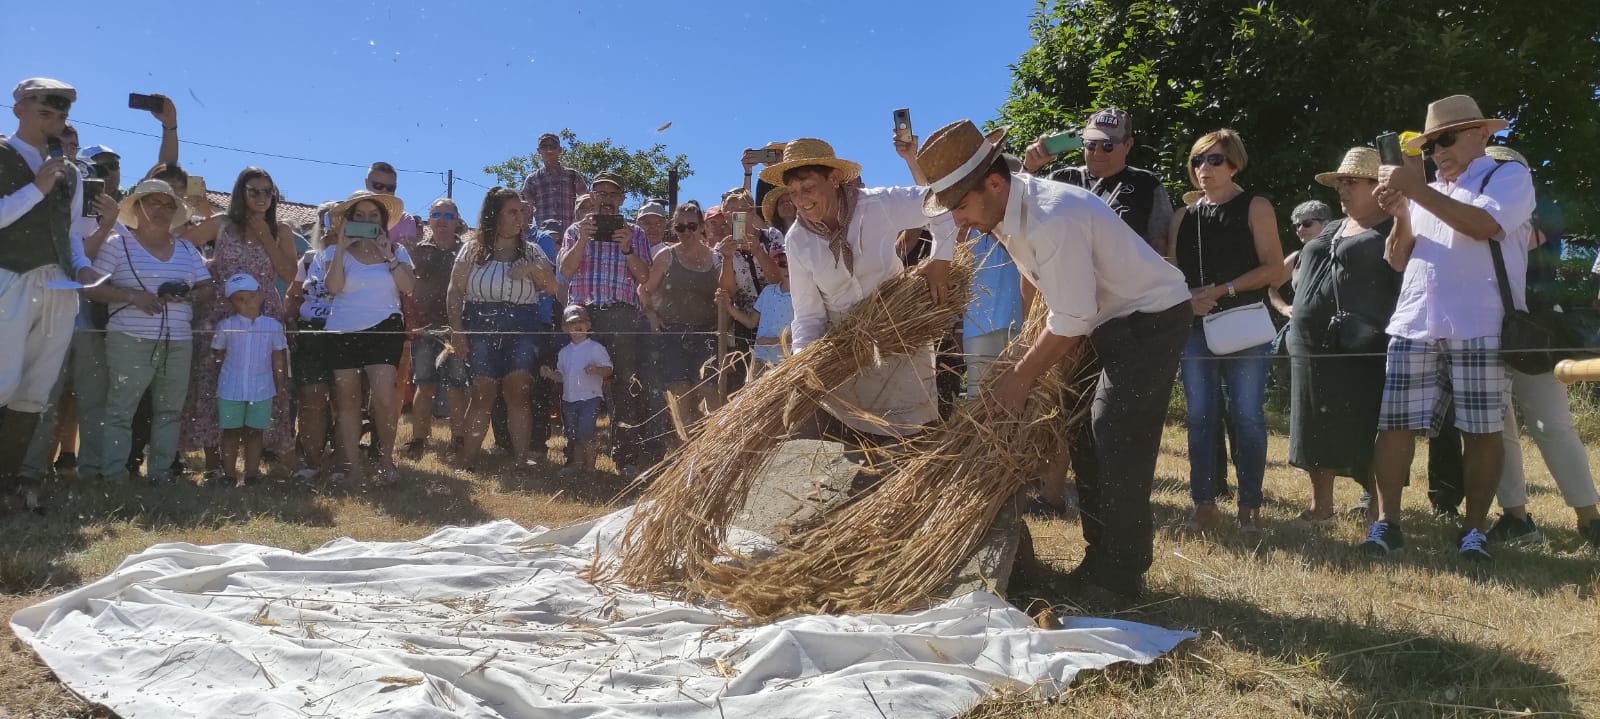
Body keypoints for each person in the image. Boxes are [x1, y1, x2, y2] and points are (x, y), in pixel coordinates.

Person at [919, 118, 1192, 605]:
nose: (958, 221)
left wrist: (1020, 377)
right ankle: (1099, 560)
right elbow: (1044, 286)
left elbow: (1073, 317)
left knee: (1114, 431)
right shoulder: (1006, 212)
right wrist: (1025, 344)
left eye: (960, 206)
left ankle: (1121, 578)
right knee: (1080, 430)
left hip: (1150, 316)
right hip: (1104, 317)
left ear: (993, 183)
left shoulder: (1052, 215)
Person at [1365, 95, 1533, 561]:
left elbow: (1482, 225)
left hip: (1483, 323)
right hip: (1416, 321)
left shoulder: (1508, 177)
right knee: (1394, 425)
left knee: (1481, 430)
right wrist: (1401, 213)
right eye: (1430, 144)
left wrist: (1414, 190)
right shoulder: (1430, 190)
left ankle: (1474, 529)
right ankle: (1386, 525)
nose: (1438, 151)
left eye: (1447, 139)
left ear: (1481, 134)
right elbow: (1397, 258)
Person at [762, 130, 955, 443]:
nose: (801, 200)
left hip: (899, 333)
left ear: (834, 178)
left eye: (808, 187)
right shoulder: (797, 240)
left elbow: (941, 205)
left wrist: (940, 261)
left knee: (914, 436)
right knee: (860, 444)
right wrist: (803, 362)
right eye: (793, 192)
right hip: (847, 352)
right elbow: (809, 315)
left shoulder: (878, 204)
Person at [1472, 146, 1600, 550]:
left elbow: (1505, 240)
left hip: (1534, 329)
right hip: (1485, 326)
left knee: (1553, 425)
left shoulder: (1542, 207)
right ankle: (1516, 517)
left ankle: (1590, 518)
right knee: (1496, 430)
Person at [1167, 129, 1287, 535]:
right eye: (1198, 160)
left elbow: (1275, 268)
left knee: (1247, 416)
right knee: (1200, 416)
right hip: (1195, 326)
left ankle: (1249, 508)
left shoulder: (1255, 206)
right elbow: (1171, 273)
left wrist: (1222, 290)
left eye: (1215, 159)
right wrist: (1188, 298)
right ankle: (1203, 505)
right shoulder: (1182, 217)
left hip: (1245, 324)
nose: (1204, 167)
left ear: (1234, 164)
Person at [0, 78, 110, 508]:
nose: (53, 124)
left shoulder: (71, 172)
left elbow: (70, 234)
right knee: (2, 381)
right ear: (19, 110)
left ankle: (8, 488)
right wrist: (36, 189)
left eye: (60, 117)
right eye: (44, 113)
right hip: (9, 277)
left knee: (35, 390)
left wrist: (83, 267)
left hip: (58, 284)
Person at [1283, 148, 1398, 523]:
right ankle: (1321, 507)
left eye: (1352, 182)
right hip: (1311, 342)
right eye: (1340, 183)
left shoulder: (1394, 227)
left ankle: (1379, 510)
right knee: (1312, 423)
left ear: (1379, 186)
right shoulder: (1333, 227)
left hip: (1362, 343)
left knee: (1366, 423)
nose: (1343, 190)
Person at [85, 179, 212, 484]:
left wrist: (188, 296)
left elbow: (207, 287)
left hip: (178, 340)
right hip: (129, 338)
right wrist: (132, 297)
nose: (162, 209)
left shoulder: (187, 249)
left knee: (170, 411)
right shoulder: (117, 244)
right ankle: (114, 475)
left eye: (168, 204)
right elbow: (93, 288)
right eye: (154, 202)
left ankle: (161, 474)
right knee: (121, 409)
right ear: (138, 207)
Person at [180, 167, 298, 482]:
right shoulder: (221, 224)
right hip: (218, 314)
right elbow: (181, 242)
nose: (261, 198)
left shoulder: (282, 230)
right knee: (212, 384)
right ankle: (216, 466)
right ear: (240, 193)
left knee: (263, 384)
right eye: (253, 191)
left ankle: (254, 465)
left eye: (267, 192)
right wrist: (203, 270)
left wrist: (265, 236)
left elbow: (289, 274)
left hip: (263, 315)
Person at [448, 187, 559, 468]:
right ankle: (467, 462)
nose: (519, 217)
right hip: (480, 323)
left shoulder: (533, 251)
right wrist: (457, 330)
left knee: (518, 390)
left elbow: (553, 288)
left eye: (521, 211)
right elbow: (455, 291)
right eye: (512, 212)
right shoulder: (472, 249)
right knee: (482, 392)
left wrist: (532, 269)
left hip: (522, 325)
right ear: (494, 215)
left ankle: (520, 462)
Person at [314, 190, 415, 485]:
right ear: (348, 220)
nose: (366, 221)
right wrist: (341, 249)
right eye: (359, 216)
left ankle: (386, 462)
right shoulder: (333, 252)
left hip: (384, 327)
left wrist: (387, 255)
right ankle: (353, 468)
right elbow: (333, 287)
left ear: (382, 220)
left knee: (384, 398)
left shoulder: (397, 251)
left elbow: (408, 286)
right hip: (342, 329)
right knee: (347, 401)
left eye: (373, 216)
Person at [557, 172, 654, 472]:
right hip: (583, 316)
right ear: (592, 196)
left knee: (624, 385)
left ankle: (625, 458)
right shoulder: (576, 230)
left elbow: (645, 277)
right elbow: (565, 271)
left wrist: (627, 249)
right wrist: (583, 239)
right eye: (601, 193)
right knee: (576, 383)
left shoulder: (635, 233)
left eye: (613, 194)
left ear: (622, 199)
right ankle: (576, 457)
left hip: (622, 314)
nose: (607, 199)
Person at [1021, 108, 1173, 254]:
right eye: (1091, 144)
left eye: (1108, 146)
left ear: (1128, 145)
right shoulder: (1061, 179)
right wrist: (1028, 168)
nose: (1098, 152)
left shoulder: (1146, 184)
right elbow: (1018, 214)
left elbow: (1161, 246)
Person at [639, 201, 724, 430]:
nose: (686, 232)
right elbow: (644, 289)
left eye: (692, 226)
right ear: (673, 228)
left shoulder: (715, 257)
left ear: (702, 227)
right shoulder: (666, 256)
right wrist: (651, 315)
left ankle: (713, 443)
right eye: (680, 227)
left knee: (710, 389)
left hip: (707, 331)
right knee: (680, 391)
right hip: (673, 332)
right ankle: (686, 446)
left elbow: (727, 291)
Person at [402, 198, 471, 459]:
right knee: (424, 384)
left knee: (457, 385)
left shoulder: (467, 252)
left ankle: (459, 439)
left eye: (448, 215)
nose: (442, 220)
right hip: (424, 328)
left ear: (457, 220)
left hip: (457, 328)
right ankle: (418, 440)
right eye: (437, 214)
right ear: (429, 220)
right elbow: (407, 290)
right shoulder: (417, 251)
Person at [211, 273, 287, 486]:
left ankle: (252, 474)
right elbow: (217, 354)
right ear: (231, 302)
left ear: (261, 295)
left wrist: (280, 382)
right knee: (231, 432)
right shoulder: (225, 326)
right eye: (240, 299)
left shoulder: (273, 326)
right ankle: (228, 475)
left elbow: (278, 356)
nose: (248, 303)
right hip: (230, 388)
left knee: (255, 432)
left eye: (252, 297)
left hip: (262, 388)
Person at [284, 202, 339, 480]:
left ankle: (343, 462)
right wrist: (290, 321)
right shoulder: (308, 259)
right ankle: (311, 462)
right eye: (328, 221)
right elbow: (293, 296)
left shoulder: (362, 260)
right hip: (311, 333)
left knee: (345, 400)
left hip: (346, 334)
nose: (333, 227)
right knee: (311, 398)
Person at [542, 305, 611, 478]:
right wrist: (550, 374)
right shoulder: (564, 352)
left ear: (588, 325)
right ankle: (578, 464)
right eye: (573, 323)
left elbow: (609, 369)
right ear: (565, 328)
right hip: (569, 398)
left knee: (586, 432)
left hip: (590, 396)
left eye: (581, 321)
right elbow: (562, 376)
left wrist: (597, 370)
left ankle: (590, 468)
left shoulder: (595, 348)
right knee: (573, 434)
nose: (578, 325)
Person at [720, 245, 792, 380]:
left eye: (792, 264)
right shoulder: (768, 291)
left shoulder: (803, 296)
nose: (787, 269)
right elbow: (751, 322)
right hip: (760, 359)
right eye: (783, 264)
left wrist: (773, 341)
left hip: (788, 361)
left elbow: (806, 333)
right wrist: (728, 307)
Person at [520, 132, 589, 232]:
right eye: (544, 146)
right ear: (539, 151)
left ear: (560, 150)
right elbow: (526, 210)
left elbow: (586, 201)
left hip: (570, 235)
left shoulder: (573, 175)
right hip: (543, 236)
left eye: (553, 146)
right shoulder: (532, 179)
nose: (549, 150)